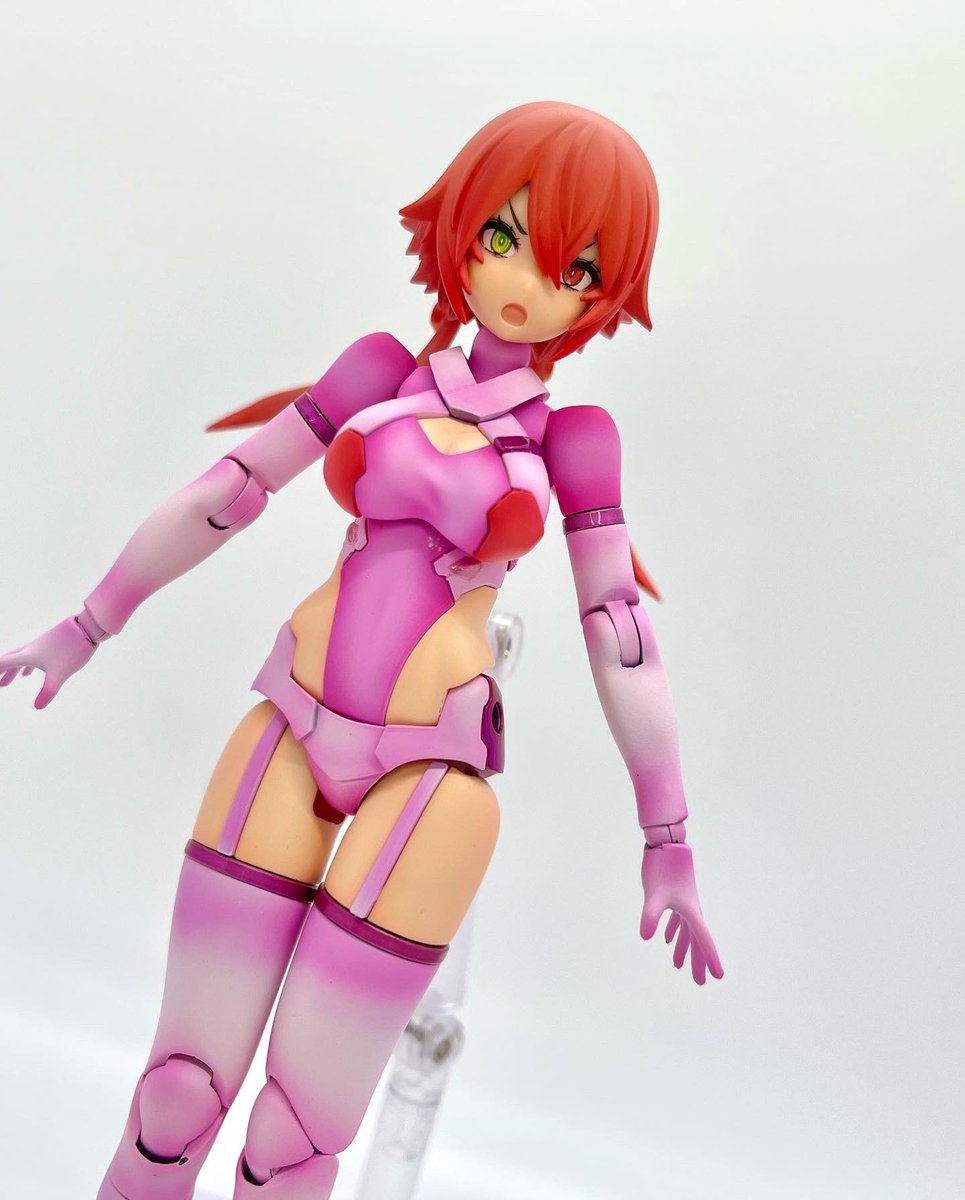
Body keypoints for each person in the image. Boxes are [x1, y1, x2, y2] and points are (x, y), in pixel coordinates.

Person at [0, 101, 723, 1200]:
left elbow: (618, 634)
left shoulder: (574, 442)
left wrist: (666, 833)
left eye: (571, 265)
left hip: (429, 781)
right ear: (461, 227)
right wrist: (90, 621)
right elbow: (229, 491)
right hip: (288, 724)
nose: (524, 280)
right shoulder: (382, 370)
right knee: (174, 1098)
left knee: (292, 1140)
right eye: (501, 235)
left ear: (601, 291)